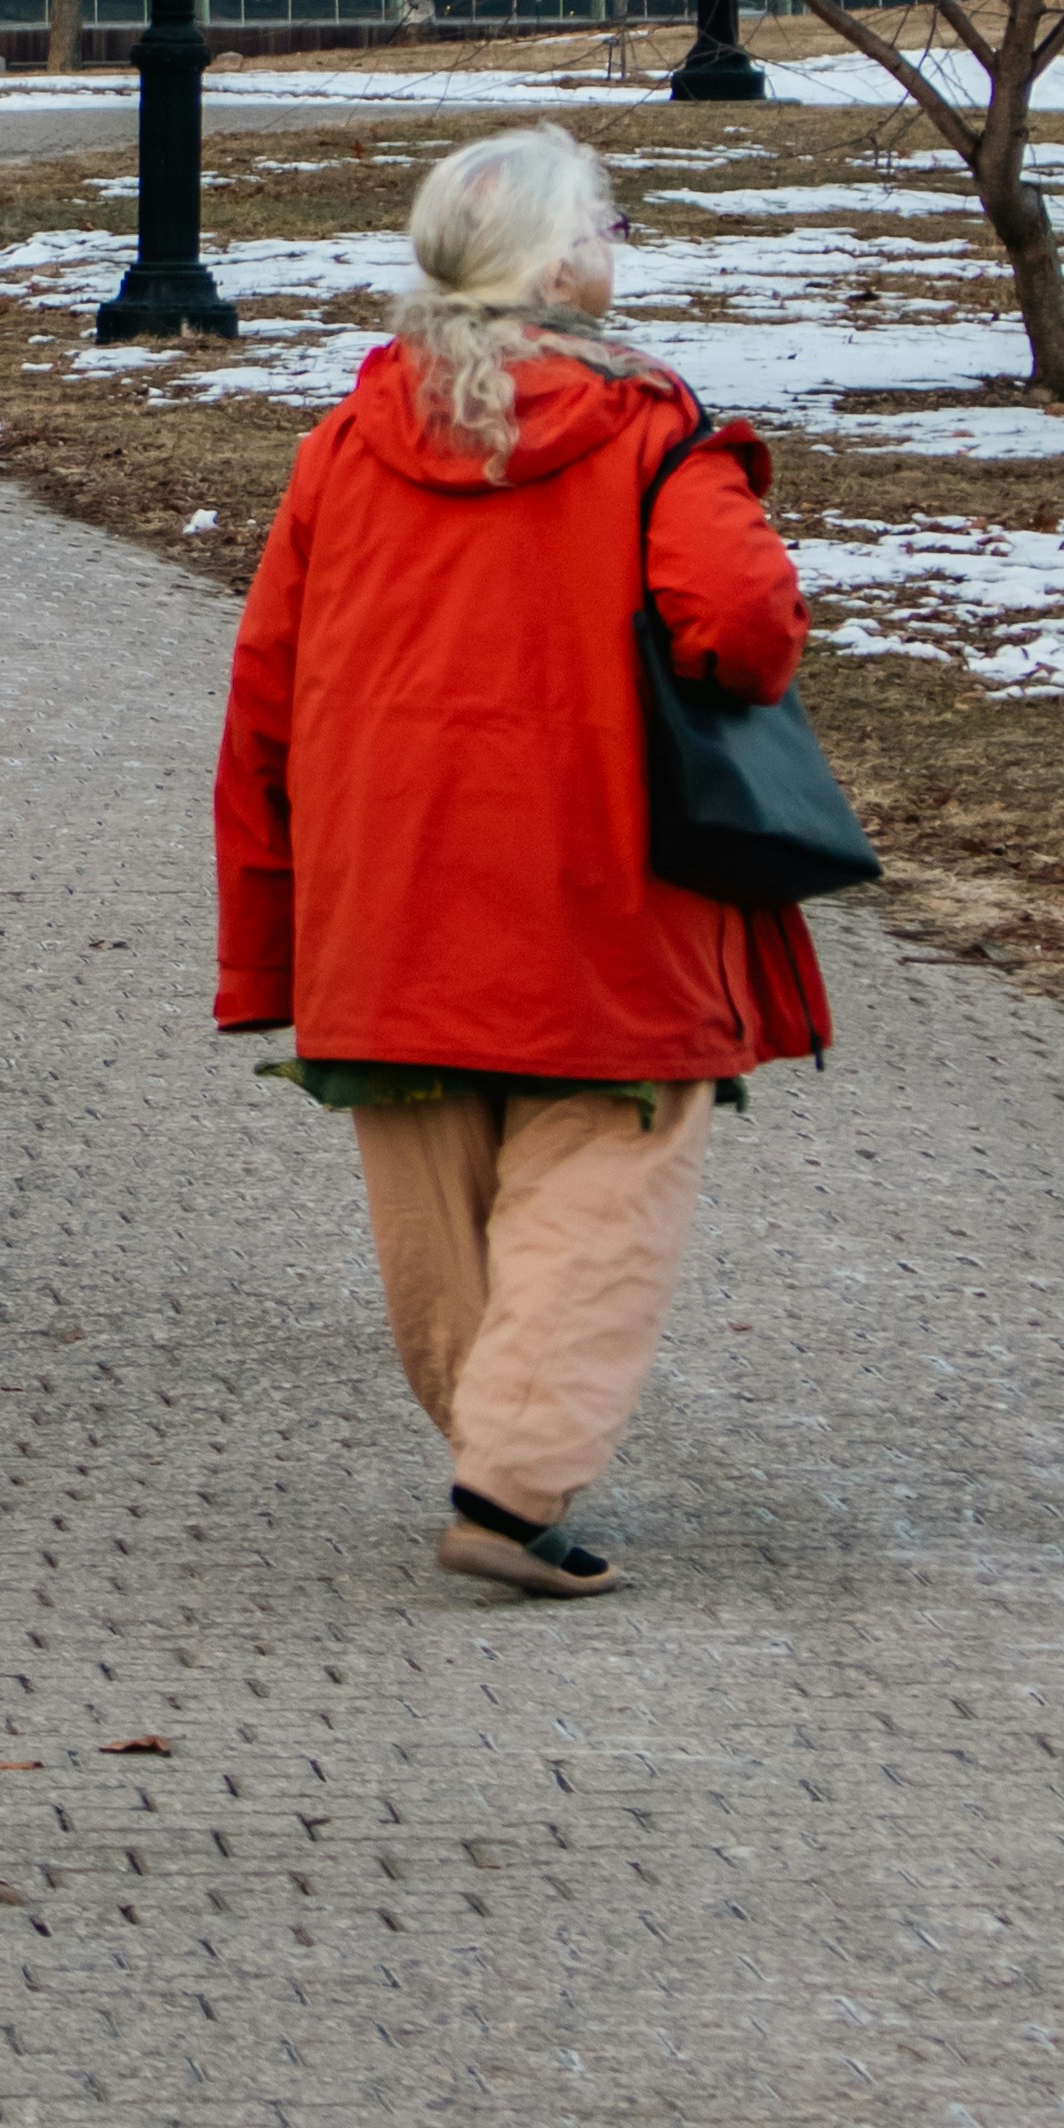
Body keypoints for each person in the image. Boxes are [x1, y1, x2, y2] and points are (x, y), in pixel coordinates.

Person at [212, 121, 825, 1602]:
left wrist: (269, 937)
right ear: (555, 260)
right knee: (603, 1167)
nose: (617, 237)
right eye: (603, 217)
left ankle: (503, 1442)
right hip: (601, 887)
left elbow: (265, 694)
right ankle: (512, 1472)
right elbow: (743, 626)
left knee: (434, 1196)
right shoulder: (649, 431)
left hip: (386, 893)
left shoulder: (344, 442)